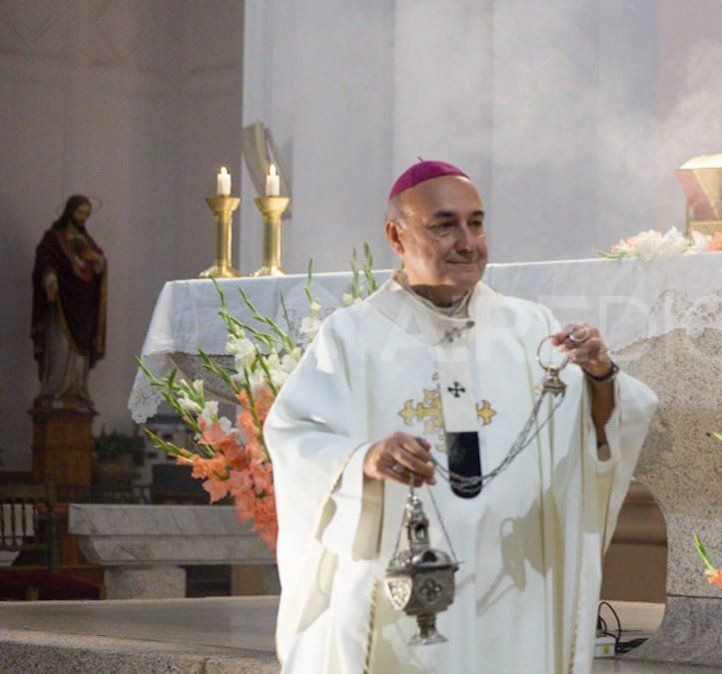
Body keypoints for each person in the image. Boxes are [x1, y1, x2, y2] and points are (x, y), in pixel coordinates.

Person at [263, 160, 658, 673]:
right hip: (405, 578)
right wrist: (366, 458)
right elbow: (296, 435)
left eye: (476, 223)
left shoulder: (530, 327)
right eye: (444, 225)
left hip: (516, 582)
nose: (467, 242)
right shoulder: (354, 335)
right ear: (396, 236)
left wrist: (601, 375)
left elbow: (594, 435)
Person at [32, 195, 107, 410]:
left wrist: (99, 262)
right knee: (60, 348)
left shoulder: (87, 241)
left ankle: (76, 391)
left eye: (86, 214)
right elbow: (44, 259)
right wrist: (49, 277)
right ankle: (54, 391)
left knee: (79, 355)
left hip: (84, 308)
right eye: (80, 212)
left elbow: (97, 267)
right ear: (69, 211)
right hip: (62, 304)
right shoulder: (54, 238)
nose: (83, 217)